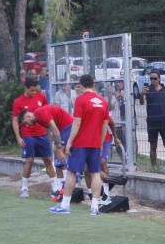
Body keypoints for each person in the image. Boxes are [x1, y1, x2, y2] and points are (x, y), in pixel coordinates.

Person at [48, 74, 110, 216]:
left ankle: (65, 205)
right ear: (93, 84)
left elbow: (76, 123)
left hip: (81, 143)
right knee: (95, 173)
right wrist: (100, 144)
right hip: (95, 144)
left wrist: (69, 142)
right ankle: (95, 207)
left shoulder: (80, 100)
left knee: (71, 172)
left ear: (81, 86)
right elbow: (104, 126)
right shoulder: (103, 102)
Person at [12, 78, 58, 199]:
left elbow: (48, 113)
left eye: (35, 90)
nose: (34, 93)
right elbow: (15, 120)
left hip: (42, 134)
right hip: (27, 135)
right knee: (29, 160)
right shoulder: (18, 102)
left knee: (48, 160)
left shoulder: (41, 97)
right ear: (25, 88)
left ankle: (55, 189)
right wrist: (18, 136)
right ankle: (24, 189)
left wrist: (51, 130)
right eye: (31, 90)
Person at [17, 104, 70, 199]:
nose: (28, 125)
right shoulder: (38, 116)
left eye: (27, 123)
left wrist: (58, 147)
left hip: (66, 128)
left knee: (60, 156)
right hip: (64, 128)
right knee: (57, 157)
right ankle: (61, 189)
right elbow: (51, 127)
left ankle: (66, 189)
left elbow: (56, 130)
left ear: (28, 116)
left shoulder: (39, 113)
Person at [140, 70, 165, 170]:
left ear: (159, 79)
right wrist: (142, 94)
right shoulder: (148, 90)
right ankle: (153, 167)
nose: (153, 80)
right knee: (153, 145)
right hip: (152, 122)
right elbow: (141, 102)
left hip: (164, 122)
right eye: (151, 78)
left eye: (155, 78)